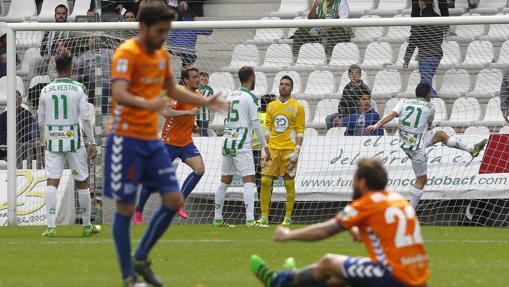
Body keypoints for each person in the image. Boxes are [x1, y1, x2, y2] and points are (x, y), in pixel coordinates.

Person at [103, 2, 227, 285]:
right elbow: (120, 93)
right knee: (124, 208)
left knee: (173, 199)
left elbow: (172, 90)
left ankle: (141, 256)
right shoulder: (126, 53)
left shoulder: (160, 55)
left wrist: (206, 100)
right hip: (125, 139)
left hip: (150, 140)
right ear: (144, 28)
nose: (164, 37)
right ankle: (128, 277)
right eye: (161, 31)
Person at [250, 158, 430, 287]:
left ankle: (278, 281)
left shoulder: (366, 204)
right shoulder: (398, 200)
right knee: (339, 277)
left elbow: (324, 231)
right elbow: (388, 234)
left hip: (394, 277)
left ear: (362, 182)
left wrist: (289, 235)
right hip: (417, 275)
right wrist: (360, 233)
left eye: (354, 180)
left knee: (329, 262)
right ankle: (296, 278)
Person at [367, 83, 487, 208]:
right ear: (429, 94)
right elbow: (429, 127)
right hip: (416, 148)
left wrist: (376, 125)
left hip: (406, 142)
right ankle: (410, 214)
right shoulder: (430, 107)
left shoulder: (404, 102)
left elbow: (391, 115)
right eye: (431, 94)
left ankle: (471, 149)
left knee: (440, 135)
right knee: (421, 179)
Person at [37, 51, 98, 237]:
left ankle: (51, 227)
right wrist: (92, 142)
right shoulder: (79, 88)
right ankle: (87, 225)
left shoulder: (45, 90)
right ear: (71, 67)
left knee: (52, 181)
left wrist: (44, 137)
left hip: (53, 140)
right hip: (74, 139)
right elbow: (86, 118)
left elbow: (40, 121)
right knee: (82, 181)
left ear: (55, 67)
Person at [134, 66, 204, 223]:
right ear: (186, 80)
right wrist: (188, 113)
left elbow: (187, 116)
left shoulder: (197, 95)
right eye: (194, 77)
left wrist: (193, 125)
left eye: (198, 76)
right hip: (169, 142)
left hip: (186, 142)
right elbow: (166, 113)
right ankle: (138, 210)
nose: (197, 79)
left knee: (199, 170)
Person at [212, 66, 269, 228]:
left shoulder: (231, 95)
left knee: (225, 180)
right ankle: (250, 220)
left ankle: (217, 219)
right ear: (252, 77)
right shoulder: (250, 97)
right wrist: (265, 146)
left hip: (227, 139)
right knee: (249, 180)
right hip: (241, 142)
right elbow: (256, 123)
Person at [258, 76, 305, 226]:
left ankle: (288, 217)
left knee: (289, 183)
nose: (283, 86)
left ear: (291, 88)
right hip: (272, 148)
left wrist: (297, 150)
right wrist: (264, 147)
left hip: (288, 149)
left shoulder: (298, 107)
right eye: (282, 84)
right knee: (265, 181)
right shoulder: (271, 106)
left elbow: (300, 131)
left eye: (287, 85)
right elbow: (268, 128)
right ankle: (264, 216)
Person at [404, 0, 446, 98]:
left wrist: (407, 58)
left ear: (422, 2)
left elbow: (414, 39)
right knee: (426, 84)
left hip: (426, 56)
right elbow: (439, 38)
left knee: (426, 86)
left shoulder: (420, 20)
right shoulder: (439, 18)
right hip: (436, 55)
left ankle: (437, 104)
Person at [74, 36, 114, 113]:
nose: (90, 40)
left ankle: (103, 116)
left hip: (106, 82)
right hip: (91, 83)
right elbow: (75, 66)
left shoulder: (108, 52)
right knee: (89, 89)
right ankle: (89, 115)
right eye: (90, 38)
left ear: (99, 39)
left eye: (92, 37)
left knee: (102, 89)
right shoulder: (85, 55)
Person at [326, 65, 370, 130]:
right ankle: (332, 136)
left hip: (359, 115)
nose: (354, 76)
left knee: (340, 122)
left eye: (356, 73)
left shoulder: (364, 89)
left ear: (360, 76)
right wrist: (339, 115)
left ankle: (342, 137)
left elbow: (358, 108)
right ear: (348, 76)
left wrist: (340, 116)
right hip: (346, 113)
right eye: (352, 73)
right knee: (329, 118)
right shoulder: (347, 88)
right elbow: (342, 104)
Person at [0, 91, 39, 163]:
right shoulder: (3, 116)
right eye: (13, 98)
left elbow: (33, 129)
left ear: (21, 100)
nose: (16, 100)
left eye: (18, 98)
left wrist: (36, 139)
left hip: (25, 145)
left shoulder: (27, 114)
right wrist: (2, 143)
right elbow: (0, 132)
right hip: (8, 147)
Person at [36, 4, 73, 79]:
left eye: (63, 14)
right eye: (59, 13)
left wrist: (67, 52)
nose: (61, 15)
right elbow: (43, 45)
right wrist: (44, 53)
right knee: (34, 61)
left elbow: (76, 45)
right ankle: (31, 88)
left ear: (67, 15)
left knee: (54, 61)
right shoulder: (49, 27)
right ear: (55, 15)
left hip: (67, 56)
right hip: (50, 56)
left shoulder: (72, 27)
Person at [252, 94, 276, 196]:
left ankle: (259, 198)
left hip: (253, 150)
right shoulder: (271, 118)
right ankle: (267, 202)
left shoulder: (255, 116)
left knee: (257, 177)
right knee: (268, 178)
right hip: (266, 151)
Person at [196, 71, 213, 136]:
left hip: (203, 117)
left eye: (205, 80)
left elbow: (201, 100)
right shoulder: (195, 89)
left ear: (208, 81)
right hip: (193, 116)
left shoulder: (208, 90)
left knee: (203, 134)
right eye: (202, 79)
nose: (203, 81)